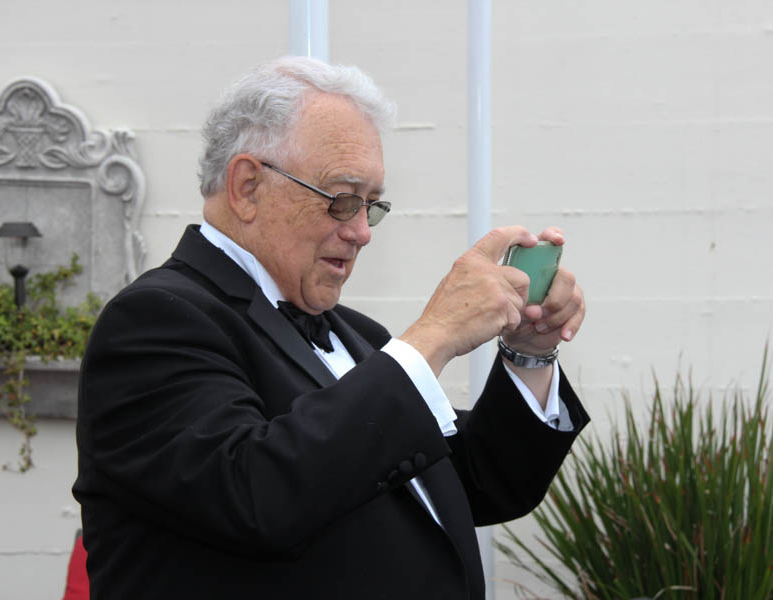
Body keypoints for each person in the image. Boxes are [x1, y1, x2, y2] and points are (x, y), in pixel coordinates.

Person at [73, 56, 588, 600]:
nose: (363, 232)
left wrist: (529, 354)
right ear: (248, 187)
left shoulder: (353, 333)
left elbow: (484, 483)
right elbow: (257, 497)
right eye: (342, 200)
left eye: (372, 205)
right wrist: (433, 337)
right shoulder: (155, 320)